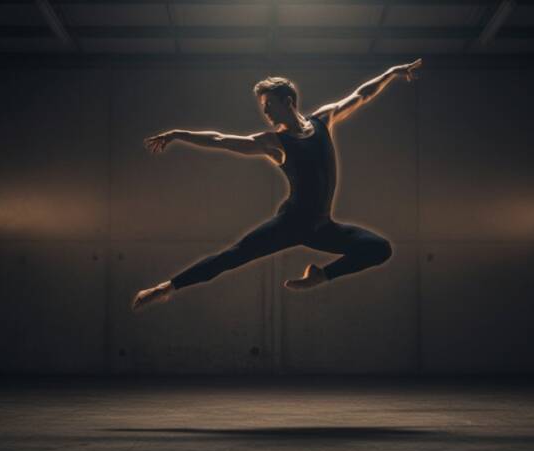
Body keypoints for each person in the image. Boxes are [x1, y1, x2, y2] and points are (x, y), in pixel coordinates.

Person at [132, 59, 423, 312]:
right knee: (232, 257)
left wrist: (391, 73)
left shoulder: (323, 120)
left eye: (269, 105)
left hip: (322, 227)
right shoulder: (274, 143)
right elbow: (219, 139)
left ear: (288, 102)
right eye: (263, 108)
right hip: (289, 224)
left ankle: (321, 276)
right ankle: (166, 288)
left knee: (379, 248)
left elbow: (361, 95)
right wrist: (178, 134)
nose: (266, 113)